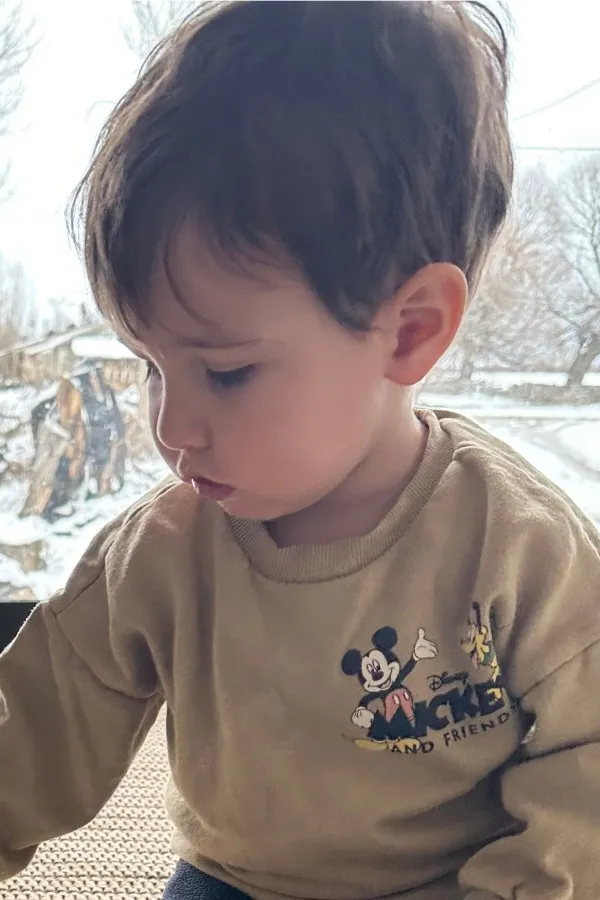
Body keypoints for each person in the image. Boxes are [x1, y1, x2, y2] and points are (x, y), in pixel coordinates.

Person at [1, 2, 599, 898]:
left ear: (412, 330)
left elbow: (586, 773)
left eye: (226, 372)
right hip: (233, 881)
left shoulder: (520, 548)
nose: (171, 427)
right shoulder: (161, 554)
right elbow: (31, 737)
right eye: (151, 367)